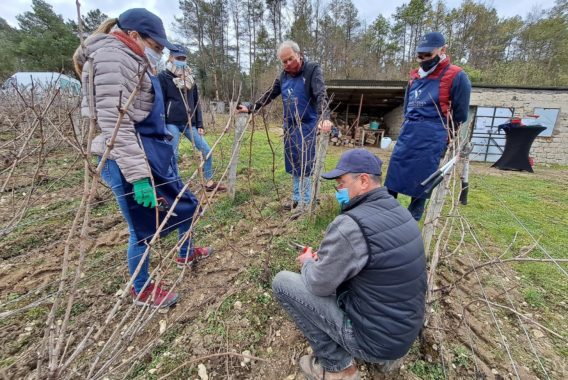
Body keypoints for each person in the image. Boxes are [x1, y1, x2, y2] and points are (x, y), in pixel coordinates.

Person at [73, 8, 212, 308]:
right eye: (157, 47)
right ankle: (141, 288)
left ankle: (185, 252)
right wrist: (138, 178)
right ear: (133, 35)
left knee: (184, 204)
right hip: (125, 159)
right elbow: (116, 124)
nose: (160, 54)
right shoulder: (112, 58)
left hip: (149, 153)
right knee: (141, 230)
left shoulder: (132, 58)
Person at [272, 149, 426, 379]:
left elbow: (317, 284)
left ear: (363, 180)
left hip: (374, 341)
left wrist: (307, 263)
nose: (338, 191)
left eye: (341, 183)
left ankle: (338, 367)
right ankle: (386, 358)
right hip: (402, 334)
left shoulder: (351, 224)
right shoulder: (401, 213)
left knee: (283, 283)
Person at [385, 31, 471, 221]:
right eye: (420, 56)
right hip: (408, 132)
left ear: (442, 50)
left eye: (428, 56)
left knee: (423, 180)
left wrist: (448, 136)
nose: (423, 60)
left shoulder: (456, 76)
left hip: (432, 134)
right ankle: (386, 213)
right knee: (394, 173)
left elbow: (461, 114)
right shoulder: (414, 77)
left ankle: (412, 219)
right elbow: (407, 107)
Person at [236, 40, 332, 211]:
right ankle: (296, 199)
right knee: (293, 163)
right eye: (284, 61)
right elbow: (269, 94)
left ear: (299, 54)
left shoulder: (312, 70)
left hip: (307, 125)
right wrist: (251, 107)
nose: (288, 64)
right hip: (290, 126)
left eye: (290, 59)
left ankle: (307, 201)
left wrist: (324, 116)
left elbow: (320, 94)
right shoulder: (283, 76)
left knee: (305, 164)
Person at [157, 45, 227, 192]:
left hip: (189, 123)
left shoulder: (190, 79)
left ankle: (208, 182)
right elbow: (160, 101)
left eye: (183, 58)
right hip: (171, 123)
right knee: (173, 155)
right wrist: (161, 124)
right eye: (178, 58)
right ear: (170, 58)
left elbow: (196, 103)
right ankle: (174, 187)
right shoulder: (163, 77)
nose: (181, 61)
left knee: (206, 150)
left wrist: (199, 123)